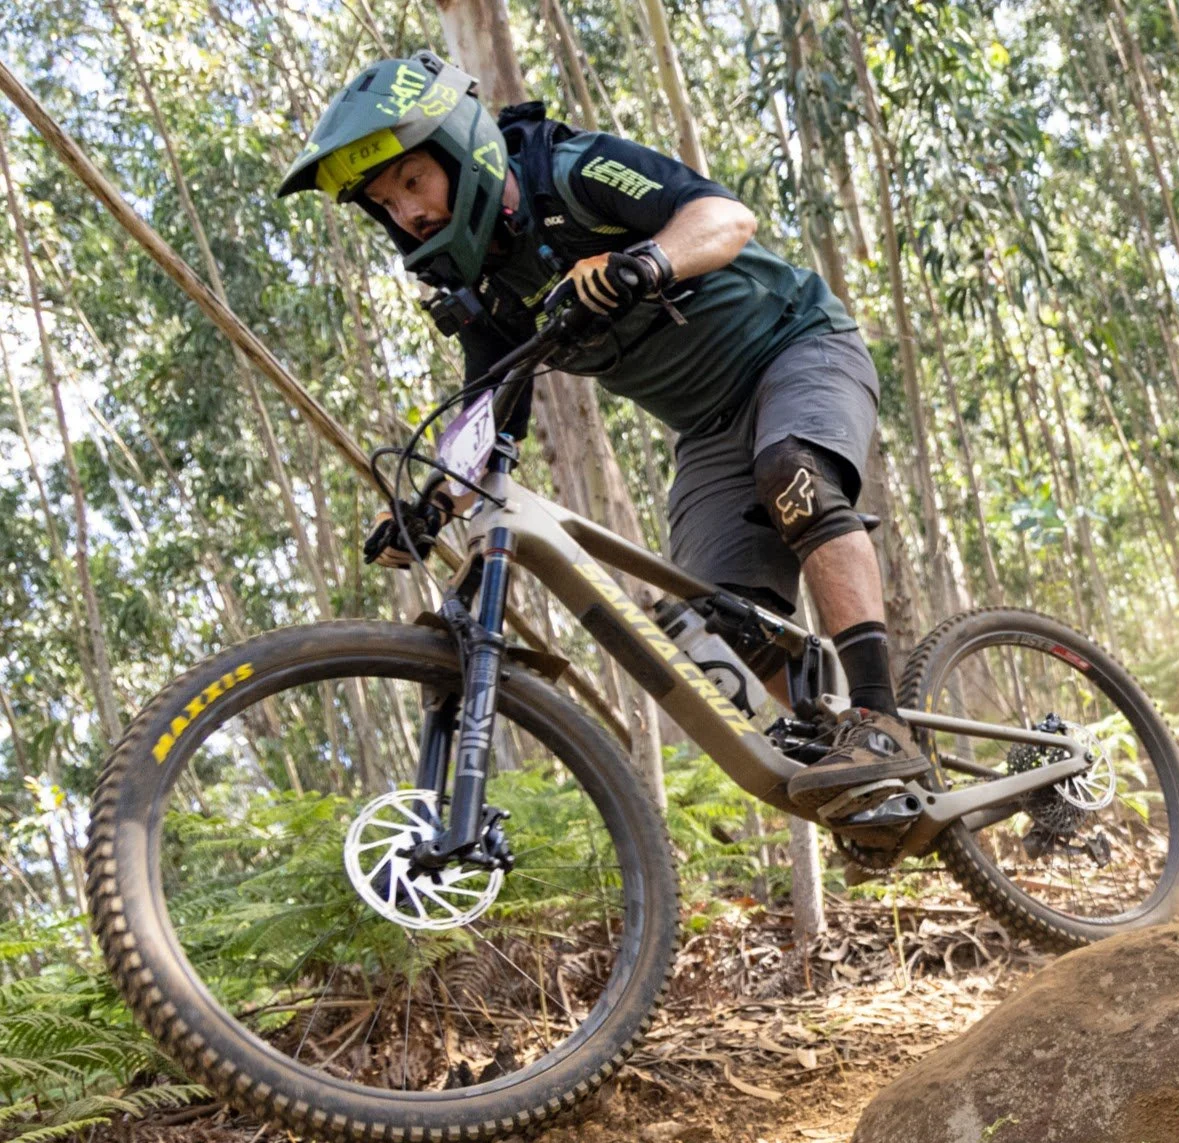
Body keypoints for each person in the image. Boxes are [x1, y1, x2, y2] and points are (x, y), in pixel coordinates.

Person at [277, 52, 926, 816]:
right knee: (716, 626)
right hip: (708, 428)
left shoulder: (572, 171)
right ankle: (848, 764)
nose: (408, 214)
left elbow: (723, 218)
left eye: (413, 182)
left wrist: (647, 261)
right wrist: (434, 503)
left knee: (793, 473)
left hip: (797, 345)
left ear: (461, 147)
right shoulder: (486, 285)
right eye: (386, 204)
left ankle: (880, 722)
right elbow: (490, 405)